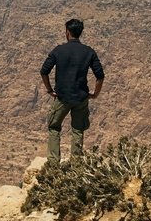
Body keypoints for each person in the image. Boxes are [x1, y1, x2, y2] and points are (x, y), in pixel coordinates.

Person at [39, 18, 105, 165]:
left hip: (62, 97)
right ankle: (76, 165)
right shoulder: (89, 52)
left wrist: (50, 90)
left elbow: (44, 71)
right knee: (78, 129)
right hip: (81, 98)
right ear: (80, 33)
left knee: (54, 127)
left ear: (67, 32)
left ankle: (54, 164)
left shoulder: (58, 50)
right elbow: (100, 76)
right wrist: (95, 94)